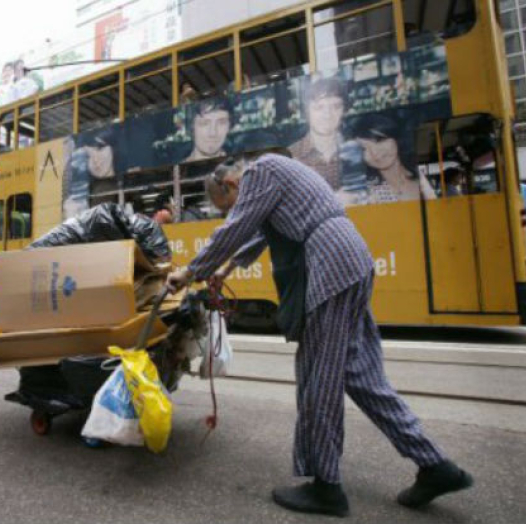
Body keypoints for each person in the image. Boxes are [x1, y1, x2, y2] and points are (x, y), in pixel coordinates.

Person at [166, 153, 473, 517]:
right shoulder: (277, 173)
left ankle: (326, 487)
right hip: (349, 261)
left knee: (318, 378)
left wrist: (191, 272)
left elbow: (238, 226)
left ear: (232, 184)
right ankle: (436, 466)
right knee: (361, 376)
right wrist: (228, 267)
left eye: (228, 203)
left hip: (330, 268)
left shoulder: (261, 171)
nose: (233, 208)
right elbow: (259, 233)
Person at [353, 115, 436, 203]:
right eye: (364, 149)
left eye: (379, 140)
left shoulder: (427, 175)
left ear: (396, 138)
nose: (374, 153)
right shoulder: (367, 193)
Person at [288, 77, 349, 191]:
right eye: (319, 107)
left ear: (344, 110)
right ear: (306, 112)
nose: (327, 115)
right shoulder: (290, 157)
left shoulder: (357, 149)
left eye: (336, 106)